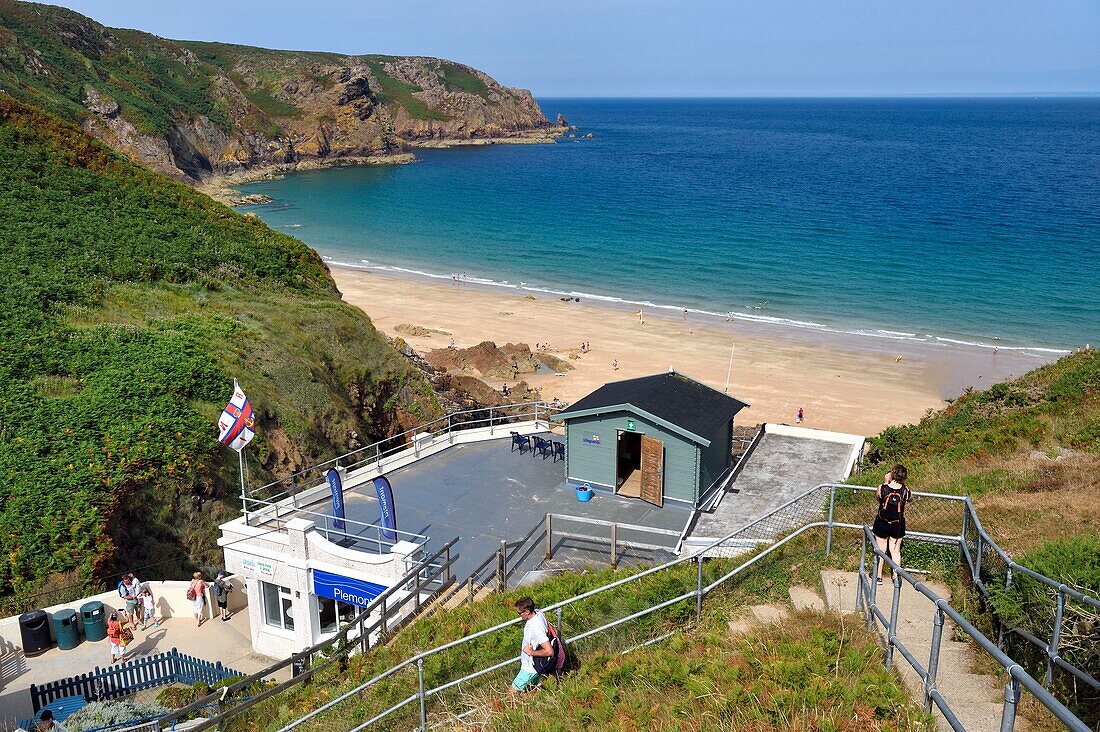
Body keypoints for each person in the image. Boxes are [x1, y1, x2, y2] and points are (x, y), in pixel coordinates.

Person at [872, 466, 912, 586]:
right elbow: (910, 499)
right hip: (898, 524)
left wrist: (885, 482)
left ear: (892, 474)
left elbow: (878, 498)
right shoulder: (905, 490)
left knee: (881, 549)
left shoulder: (883, 488)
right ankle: (896, 576)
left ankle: (878, 576)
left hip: (882, 523)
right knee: (895, 551)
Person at [511, 596, 554, 695]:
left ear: (527, 612)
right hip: (534, 665)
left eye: (519, 613)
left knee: (512, 692)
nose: (519, 615)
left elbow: (549, 651)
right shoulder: (538, 613)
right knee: (531, 691)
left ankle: (512, 709)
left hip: (530, 667)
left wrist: (531, 652)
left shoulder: (536, 626)